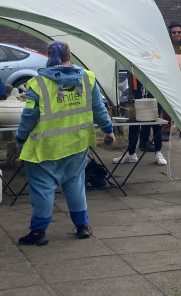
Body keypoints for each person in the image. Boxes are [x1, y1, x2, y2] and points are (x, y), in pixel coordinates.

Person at [15, 41, 115, 246]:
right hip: (77, 144)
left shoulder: (38, 84)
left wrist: (20, 138)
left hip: (45, 148)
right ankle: (82, 227)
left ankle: (39, 232)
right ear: (70, 56)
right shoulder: (88, 78)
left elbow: (28, 117)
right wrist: (108, 130)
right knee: (75, 185)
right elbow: (98, 108)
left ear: (48, 56)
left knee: (43, 188)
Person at [114, 74, 166, 166]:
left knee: (156, 121)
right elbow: (130, 72)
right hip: (137, 91)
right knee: (134, 123)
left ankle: (158, 152)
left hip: (154, 91)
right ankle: (131, 153)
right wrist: (130, 92)